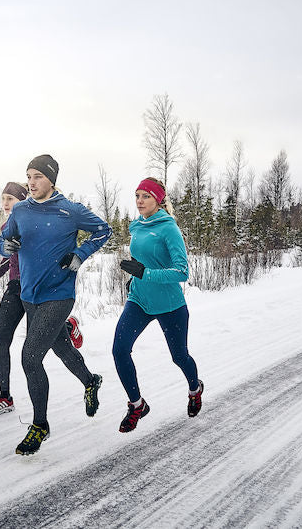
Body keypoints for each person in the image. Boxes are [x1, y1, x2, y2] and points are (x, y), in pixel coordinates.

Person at [0, 154, 111, 455]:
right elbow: (3, 240)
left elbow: (104, 230)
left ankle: (40, 425)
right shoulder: (20, 210)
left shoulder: (69, 210)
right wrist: (4, 246)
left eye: (38, 176)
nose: (31, 182)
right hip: (29, 294)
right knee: (61, 348)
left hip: (59, 294)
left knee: (31, 357)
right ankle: (90, 381)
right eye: (29, 176)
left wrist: (80, 255)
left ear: (51, 179)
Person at [0, 181, 84, 418]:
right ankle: (5, 396)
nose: (6, 204)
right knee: (1, 339)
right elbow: (8, 258)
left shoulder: (34, 223)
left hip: (38, 291)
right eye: (4, 199)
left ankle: (67, 326)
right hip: (15, 290)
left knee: (48, 346)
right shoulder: (10, 225)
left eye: (11, 199)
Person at [114, 176, 203, 433]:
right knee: (119, 350)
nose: (140, 201)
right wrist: (134, 279)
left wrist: (146, 273)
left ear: (158, 200)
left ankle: (195, 389)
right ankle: (137, 405)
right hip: (139, 300)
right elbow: (142, 260)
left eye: (146, 196)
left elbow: (181, 272)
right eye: (137, 195)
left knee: (179, 356)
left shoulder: (169, 229)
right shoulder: (137, 226)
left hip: (170, 304)